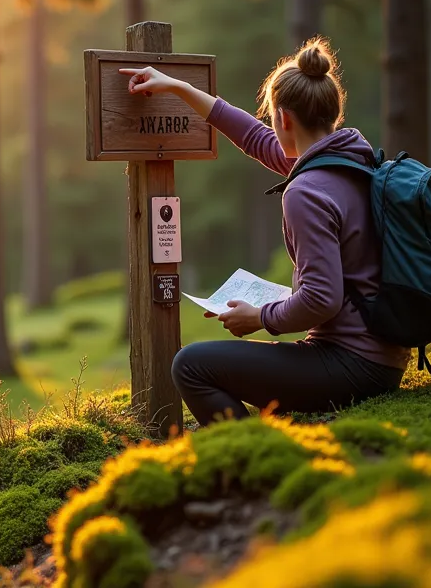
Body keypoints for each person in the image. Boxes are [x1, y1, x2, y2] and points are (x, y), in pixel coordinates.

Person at [119, 37, 410, 427]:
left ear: (284, 119)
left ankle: (252, 452)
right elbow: (254, 138)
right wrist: (179, 87)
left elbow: (322, 301)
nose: (269, 128)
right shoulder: (354, 160)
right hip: (382, 357)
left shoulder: (305, 191)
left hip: (351, 364)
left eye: (271, 117)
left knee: (191, 365)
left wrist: (260, 316)